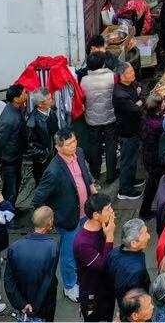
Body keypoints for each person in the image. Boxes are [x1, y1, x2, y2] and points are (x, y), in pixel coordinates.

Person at [31, 127, 95, 302]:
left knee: (84, 248)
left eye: (74, 141)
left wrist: (91, 187)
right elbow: (38, 199)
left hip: (85, 213)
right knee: (69, 255)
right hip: (68, 220)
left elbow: (85, 173)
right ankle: (69, 286)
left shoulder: (79, 153)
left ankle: (81, 276)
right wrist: (53, 219)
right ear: (58, 147)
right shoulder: (53, 171)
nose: (73, 146)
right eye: (68, 144)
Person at [4, 206, 61, 321]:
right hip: (43, 305)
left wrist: (21, 304)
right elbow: (47, 281)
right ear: (49, 222)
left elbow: (8, 280)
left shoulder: (15, 247)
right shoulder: (52, 247)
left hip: (22, 302)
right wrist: (34, 307)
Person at [73, 193, 117, 322]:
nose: (112, 211)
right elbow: (102, 265)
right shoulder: (83, 243)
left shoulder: (102, 227)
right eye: (108, 209)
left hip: (106, 287)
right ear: (96, 215)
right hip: (94, 294)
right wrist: (109, 237)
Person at [113, 62, 146, 200]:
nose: (133, 74)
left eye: (133, 70)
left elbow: (141, 87)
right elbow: (136, 110)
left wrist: (140, 99)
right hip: (127, 131)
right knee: (127, 160)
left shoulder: (131, 83)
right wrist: (139, 103)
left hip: (134, 128)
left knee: (133, 158)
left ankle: (131, 180)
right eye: (130, 72)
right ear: (122, 76)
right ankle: (124, 189)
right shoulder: (120, 94)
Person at [0, 84, 29, 204]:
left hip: (15, 156)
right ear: (16, 99)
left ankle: (10, 209)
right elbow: (0, 141)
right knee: (10, 190)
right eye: (24, 93)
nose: (27, 95)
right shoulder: (9, 118)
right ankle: (7, 214)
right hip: (9, 160)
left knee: (15, 185)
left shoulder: (15, 109)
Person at [108, 219, 152, 308]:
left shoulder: (114, 253)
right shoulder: (137, 271)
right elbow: (137, 300)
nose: (149, 236)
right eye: (145, 234)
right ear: (134, 243)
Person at [26, 88, 59, 184]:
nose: (52, 100)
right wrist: (44, 154)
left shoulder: (51, 112)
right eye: (49, 99)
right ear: (40, 104)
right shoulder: (32, 122)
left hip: (55, 154)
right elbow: (29, 146)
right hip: (43, 160)